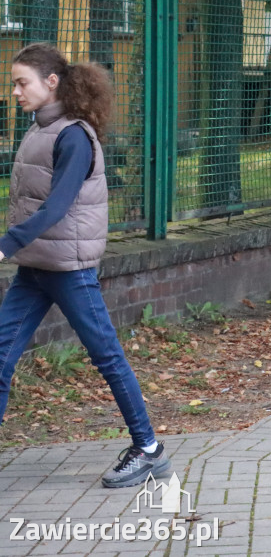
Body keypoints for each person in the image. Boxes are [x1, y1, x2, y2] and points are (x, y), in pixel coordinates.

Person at [0, 43, 172, 488]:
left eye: (22, 82)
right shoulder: (40, 128)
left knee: (107, 357)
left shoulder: (73, 135)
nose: (15, 91)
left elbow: (57, 205)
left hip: (69, 269)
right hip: (35, 268)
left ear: (51, 82)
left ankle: (149, 448)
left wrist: (6, 245)